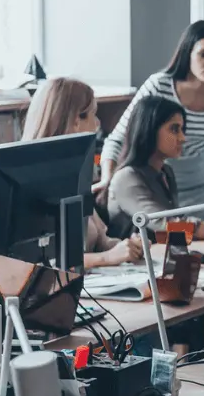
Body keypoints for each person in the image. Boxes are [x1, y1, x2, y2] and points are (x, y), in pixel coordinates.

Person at [97, 20, 204, 209]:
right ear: (187, 53)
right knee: (173, 226)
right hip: (159, 184)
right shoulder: (159, 85)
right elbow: (117, 140)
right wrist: (107, 179)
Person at [21, 77, 142, 269]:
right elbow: (46, 261)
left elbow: (101, 241)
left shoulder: (75, 175)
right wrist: (107, 257)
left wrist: (128, 247)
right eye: (94, 114)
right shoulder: (32, 185)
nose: (98, 124)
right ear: (76, 120)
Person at [106, 96, 201, 239]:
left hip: (160, 250)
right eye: (174, 129)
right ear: (149, 129)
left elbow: (174, 221)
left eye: (182, 130)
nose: (183, 138)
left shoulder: (166, 171)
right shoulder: (126, 177)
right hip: (136, 253)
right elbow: (166, 225)